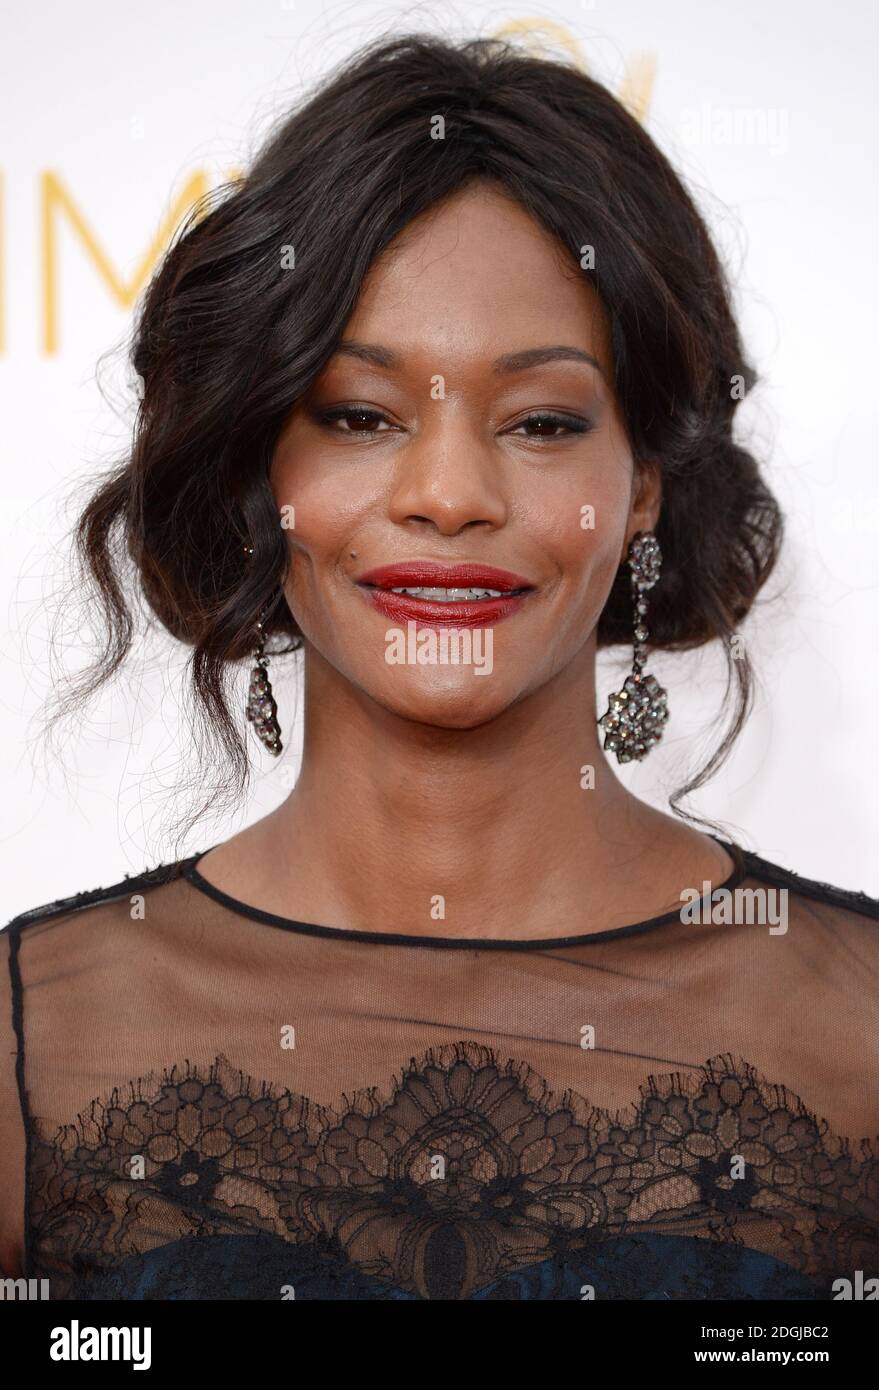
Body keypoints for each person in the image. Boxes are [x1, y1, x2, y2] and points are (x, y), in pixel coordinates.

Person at [1, 33, 876, 1301]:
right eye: (360, 414)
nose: (451, 494)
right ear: (263, 474)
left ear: (643, 484)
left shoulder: (856, 1026)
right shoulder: (35, 1040)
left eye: (541, 422)